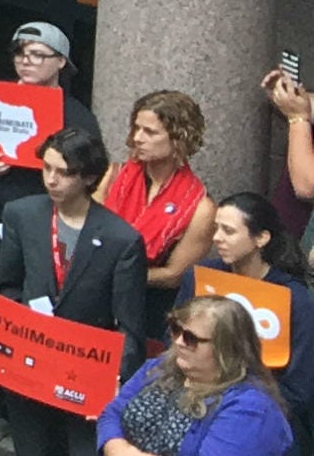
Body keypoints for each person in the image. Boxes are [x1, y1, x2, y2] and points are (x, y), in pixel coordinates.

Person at [0, 127, 154, 456]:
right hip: (30, 363)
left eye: (64, 173)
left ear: (88, 177)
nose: (51, 180)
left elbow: (129, 325)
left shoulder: (121, 239)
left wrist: (116, 377)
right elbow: (6, 287)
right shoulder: (22, 214)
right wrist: (2, 343)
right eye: (47, 168)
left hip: (84, 373)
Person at [96, 296, 292, 456]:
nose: (179, 342)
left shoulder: (252, 409)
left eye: (191, 338)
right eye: (176, 330)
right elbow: (112, 413)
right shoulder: (160, 366)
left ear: (225, 349)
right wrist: (122, 450)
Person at [190, 195, 314, 435]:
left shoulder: (293, 298)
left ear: (261, 238)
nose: (216, 238)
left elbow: (299, 389)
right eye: (216, 228)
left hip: (262, 416)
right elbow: (174, 346)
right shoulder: (199, 279)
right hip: (196, 400)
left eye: (228, 231)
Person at [108, 93, 221, 356]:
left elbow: (174, 275)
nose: (137, 138)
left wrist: (115, 274)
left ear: (178, 139)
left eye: (150, 132)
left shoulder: (201, 208)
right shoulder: (113, 176)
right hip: (99, 301)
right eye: (136, 128)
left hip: (150, 309)